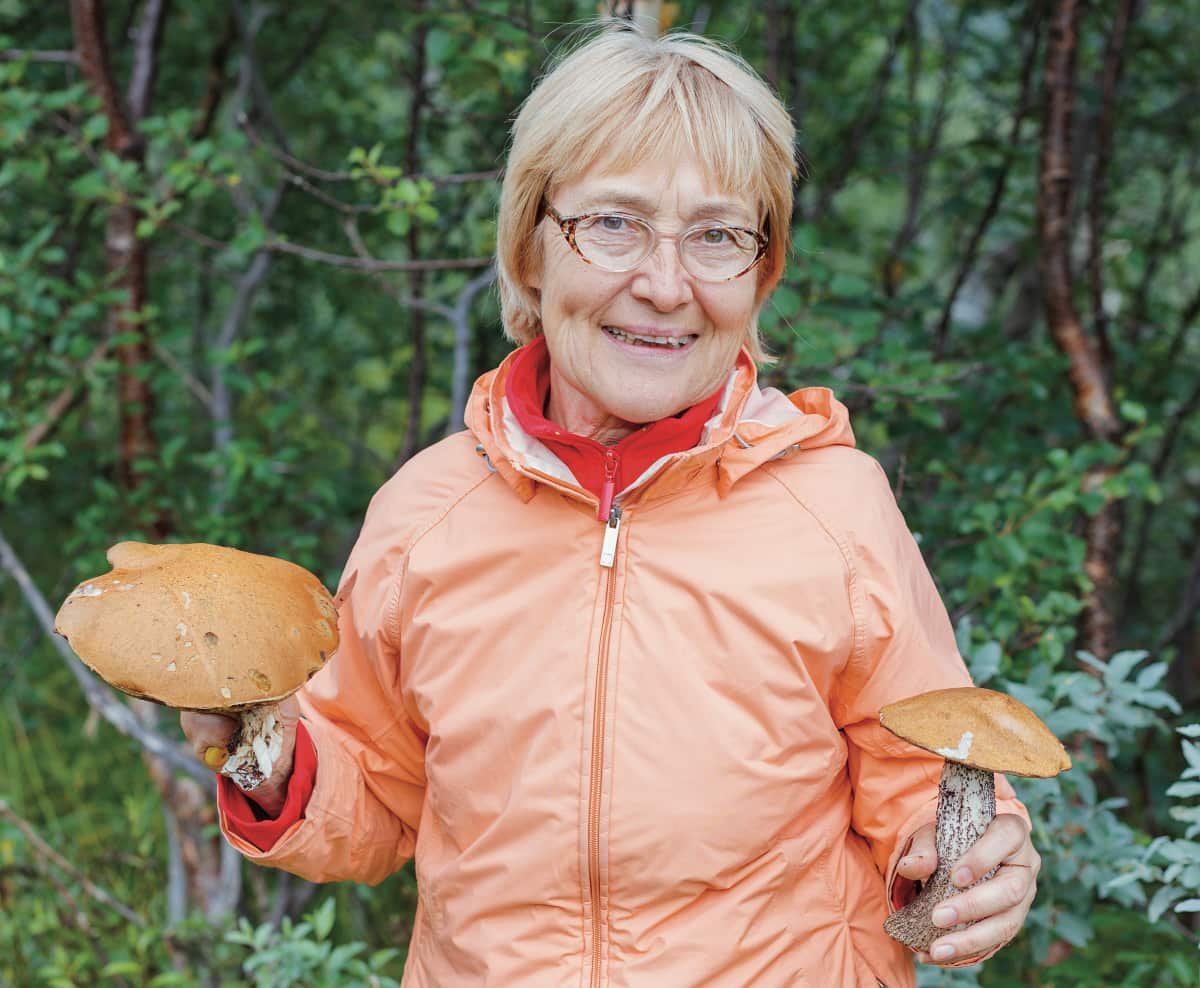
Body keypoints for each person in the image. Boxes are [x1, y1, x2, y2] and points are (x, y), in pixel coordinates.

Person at [182, 25, 1040, 987]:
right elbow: (377, 799)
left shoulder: (835, 510)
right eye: (614, 225)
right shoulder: (426, 514)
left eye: (716, 235)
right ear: (532, 248)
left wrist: (979, 862)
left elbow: (922, 772)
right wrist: (263, 753)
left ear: (762, 272)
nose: (664, 286)